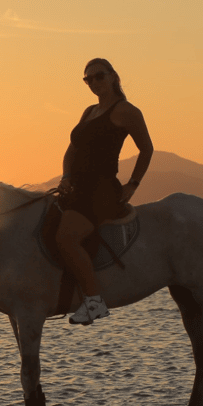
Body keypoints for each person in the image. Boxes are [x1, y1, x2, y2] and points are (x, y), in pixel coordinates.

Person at [56, 58, 154, 324]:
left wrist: (133, 184)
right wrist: (65, 176)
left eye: (99, 76)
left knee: (66, 238)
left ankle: (94, 301)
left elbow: (146, 149)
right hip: (76, 188)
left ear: (113, 76)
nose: (94, 83)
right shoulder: (89, 111)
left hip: (100, 192)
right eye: (88, 79)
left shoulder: (127, 111)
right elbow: (72, 149)